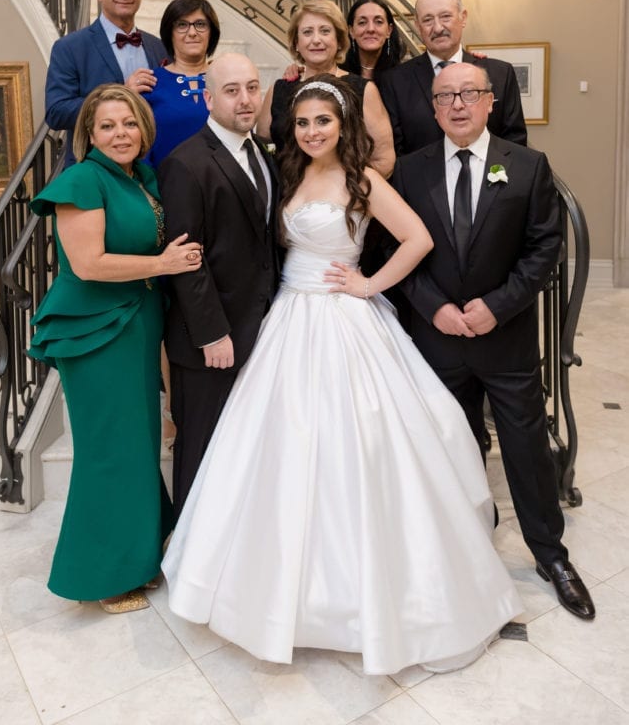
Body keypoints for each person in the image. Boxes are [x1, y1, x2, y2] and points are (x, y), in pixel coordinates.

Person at [161, 74, 523, 675]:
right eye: (301, 123)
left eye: (321, 122)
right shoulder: (288, 175)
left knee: (362, 444)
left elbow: (418, 239)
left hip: (344, 318)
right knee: (276, 447)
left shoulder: (364, 180)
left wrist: (367, 284)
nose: (310, 132)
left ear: (341, 125)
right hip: (286, 319)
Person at [392, 62, 595, 621]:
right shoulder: (408, 173)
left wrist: (497, 307)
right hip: (437, 341)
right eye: (446, 96)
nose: (458, 104)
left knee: (526, 449)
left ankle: (551, 556)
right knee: (449, 446)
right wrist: (435, 309)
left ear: (489, 103)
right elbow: (394, 256)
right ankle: (461, 550)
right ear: (434, 109)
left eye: (469, 94)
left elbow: (544, 249)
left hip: (504, 342)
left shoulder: (528, 167)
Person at [28, 84, 202, 613]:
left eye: (128, 123)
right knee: (109, 451)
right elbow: (89, 264)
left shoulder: (139, 178)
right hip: (95, 330)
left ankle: (138, 556)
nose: (120, 134)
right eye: (107, 126)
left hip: (136, 323)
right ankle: (101, 575)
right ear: (89, 134)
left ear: (143, 129)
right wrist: (162, 266)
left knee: (137, 444)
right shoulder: (80, 180)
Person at [157, 53, 281, 525]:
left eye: (252, 87)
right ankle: (189, 550)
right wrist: (211, 333)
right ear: (209, 98)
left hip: (261, 327)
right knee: (201, 447)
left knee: (242, 447)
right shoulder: (186, 164)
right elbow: (187, 261)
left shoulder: (262, 154)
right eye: (232, 90)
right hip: (211, 338)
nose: (245, 99)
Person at [45, 0, 166, 165]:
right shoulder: (69, 48)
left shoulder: (159, 47)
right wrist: (121, 94)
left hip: (153, 171)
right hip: (95, 171)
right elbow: (56, 112)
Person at [379, 0, 527, 154]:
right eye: (427, 20)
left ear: (463, 18)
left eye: (445, 17)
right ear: (418, 26)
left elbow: (515, 143)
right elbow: (394, 151)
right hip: (421, 179)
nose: (438, 28)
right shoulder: (395, 82)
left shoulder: (500, 74)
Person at [257, 0, 395, 178]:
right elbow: (263, 150)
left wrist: (342, 190)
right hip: (288, 198)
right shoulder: (279, 90)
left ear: (338, 40)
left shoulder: (363, 90)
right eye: (307, 32)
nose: (316, 40)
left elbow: (384, 160)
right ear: (296, 43)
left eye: (325, 31)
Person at [144, 0, 220, 168]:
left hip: (220, 188)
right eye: (182, 25)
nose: (192, 33)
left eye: (200, 24)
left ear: (211, 32)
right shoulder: (150, 83)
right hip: (163, 188)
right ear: (169, 33)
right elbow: (141, 149)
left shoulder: (227, 81)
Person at [341, 0, 406, 83]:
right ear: (351, 31)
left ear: (389, 30)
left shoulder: (403, 77)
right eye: (362, 22)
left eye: (378, 22)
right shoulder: (339, 76)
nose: (370, 29)